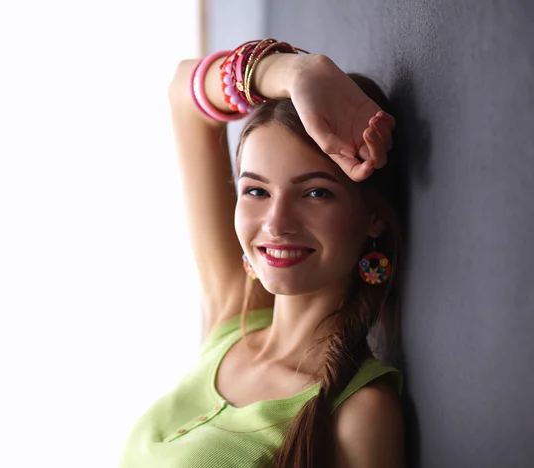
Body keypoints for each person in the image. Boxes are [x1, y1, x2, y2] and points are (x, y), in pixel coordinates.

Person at [119, 38, 405, 467]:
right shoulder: (232, 320)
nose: (275, 222)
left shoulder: (358, 413)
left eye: (315, 193)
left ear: (373, 218)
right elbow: (184, 92)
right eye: (255, 190)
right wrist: (293, 73)